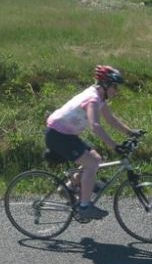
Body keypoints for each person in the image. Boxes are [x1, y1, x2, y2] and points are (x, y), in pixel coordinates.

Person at [45, 65, 141, 221]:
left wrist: (130, 132)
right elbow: (95, 126)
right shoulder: (93, 99)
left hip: (66, 134)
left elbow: (110, 119)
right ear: (105, 85)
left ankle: (68, 188)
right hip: (58, 135)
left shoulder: (100, 98)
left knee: (96, 159)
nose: (117, 91)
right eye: (115, 87)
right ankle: (84, 207)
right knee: (90, 164)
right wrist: (114, 146)